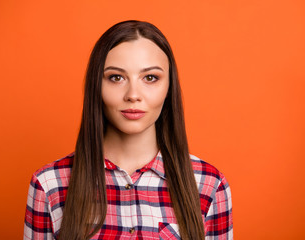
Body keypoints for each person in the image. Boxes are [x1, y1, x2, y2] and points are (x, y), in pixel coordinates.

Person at [24, 20, 233, 240]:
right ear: (97, 85)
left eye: (150, 78)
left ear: (168, 87)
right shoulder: (49, 184)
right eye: (116, 77)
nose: (133, 94)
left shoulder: (209, 185)